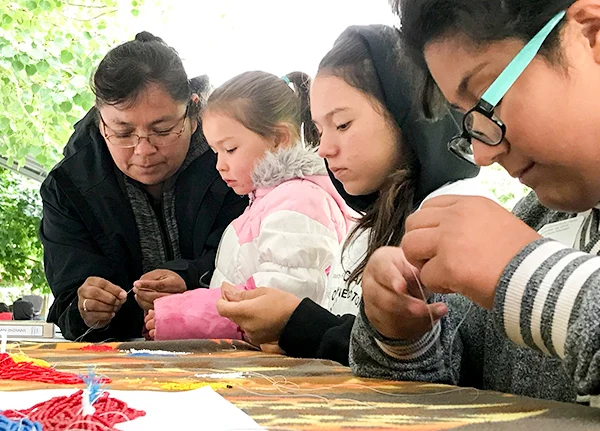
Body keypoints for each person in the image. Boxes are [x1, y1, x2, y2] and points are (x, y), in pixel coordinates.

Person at [350, 0, 600, 403]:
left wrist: (525, 273)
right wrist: (405, 334)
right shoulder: (538, 220)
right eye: (468, 119)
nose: (484, 154)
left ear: (590, 34)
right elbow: (451, 387)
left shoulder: (525, 252)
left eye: (489, 100)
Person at [214, 25, 482, 364]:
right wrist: (288, 333)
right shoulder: (367, 226)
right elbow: (351, 335)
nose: (324, 148)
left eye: (342, 125)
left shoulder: (452, 219)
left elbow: (435, 369)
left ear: (408, 114)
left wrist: (298, 323)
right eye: (320, 129)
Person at [39, 32, 247, 341]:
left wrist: (189, 279)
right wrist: (86, 310)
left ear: (192, 113)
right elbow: (69, 303)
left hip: (230, 351)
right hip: (120, 363)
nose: (143, 150)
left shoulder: (235, 162)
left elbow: (258, 266)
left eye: (162, 130)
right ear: (100, 121)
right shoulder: (68, 187)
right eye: (123, 133)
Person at [144, 70, 356, 340]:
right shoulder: (266, 203)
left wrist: (181, 316)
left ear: (279, 139)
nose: (220, 165)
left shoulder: (299, 203)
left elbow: (278, 298)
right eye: (216, 152)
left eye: (230, 149)